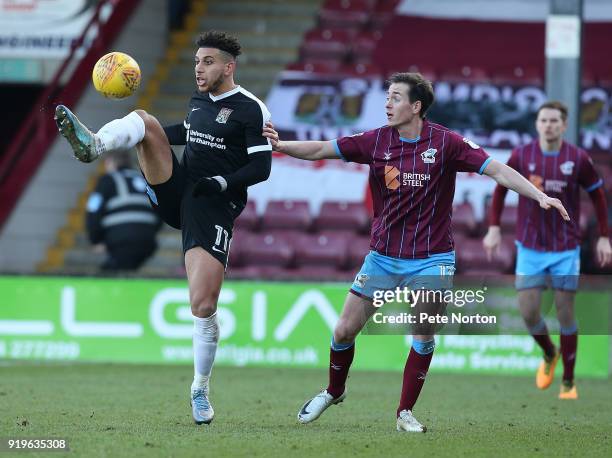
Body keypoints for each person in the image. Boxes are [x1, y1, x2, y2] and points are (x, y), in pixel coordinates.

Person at [263, 72, 569, 433]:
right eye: (387, 96)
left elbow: (497, 170)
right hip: (383, 256)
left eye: (395, 97)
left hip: (433, 257)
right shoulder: (376, 141)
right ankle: (333, 390)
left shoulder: (447, 143)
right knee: (344, 330)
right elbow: (320, 148)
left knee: (422, 331)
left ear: (416, 106)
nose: (387, 104)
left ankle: (404, 412)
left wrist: (540, 196)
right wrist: (282, 146)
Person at [55, 31, 272, 424]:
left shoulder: (251, 109)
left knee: (203, 306)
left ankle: (199, 388)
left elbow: (262, 167)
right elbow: (185, 134)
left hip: (213, 205)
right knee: (143, 119)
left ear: (229, 66)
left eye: (207, 62)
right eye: (195, 61)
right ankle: (94, 145)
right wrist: (152, 134)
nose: (199, 69)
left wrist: (222, 183)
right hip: (177, 189)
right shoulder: (199, 101)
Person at [483, 100, 611, 400]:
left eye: (555, 121)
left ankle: (568, 382)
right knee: (528, 312)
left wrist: (604, 236)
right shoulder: (522, 155)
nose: (549, 125)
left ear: (564, 125)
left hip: (566, 247)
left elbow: (598, 196)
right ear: (537, 124)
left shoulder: (577, 159)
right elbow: (501, 188)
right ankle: (549, 352)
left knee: (566, 313)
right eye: (544, 120)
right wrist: (493, 227)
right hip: (530, 247)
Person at [86, 150, 161, 271]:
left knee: (108, 276)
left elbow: (93, 210)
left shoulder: (107, 180)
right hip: (147, 240)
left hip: (121, 241)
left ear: (111, 162)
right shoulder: (144, 180)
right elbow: (160, 209)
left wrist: (95, 239)